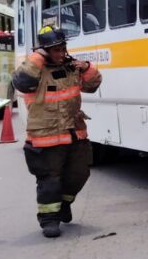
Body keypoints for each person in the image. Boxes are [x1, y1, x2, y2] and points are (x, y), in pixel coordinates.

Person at [11, 26, 102, 238]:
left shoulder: (71, 67)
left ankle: (63, 205)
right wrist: (38, 56)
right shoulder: (34, 70)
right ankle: (49, 220)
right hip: (45, 136)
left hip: (74, 133)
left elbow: (93, 84)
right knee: (49, 180)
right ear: (44, 51)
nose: (61, 53)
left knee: (79, 174)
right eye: (55, 50)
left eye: (63, 48)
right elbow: (22, 83)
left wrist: (87, 67)